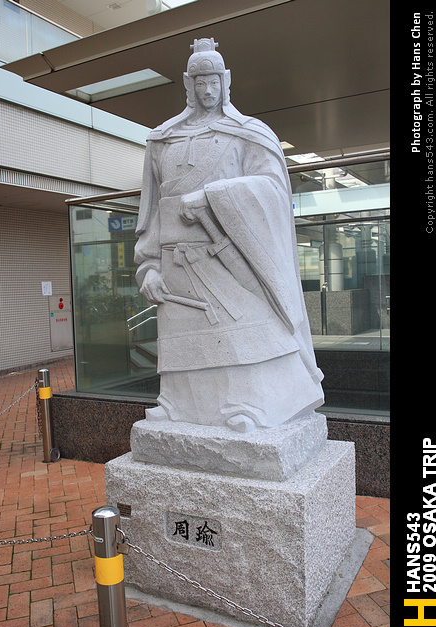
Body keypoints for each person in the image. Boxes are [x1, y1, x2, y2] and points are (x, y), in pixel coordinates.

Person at [134, 38, 324, 432]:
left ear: (227, 81)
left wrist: (213, 197)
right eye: (199, 82)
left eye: (214, 81)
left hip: (227, 258)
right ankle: (177, 404)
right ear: (187, 84)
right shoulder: (162, 140)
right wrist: (148, 267)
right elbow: (152, 214)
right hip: (175, 265)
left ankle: (249, 405)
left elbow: (272, 190)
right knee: (183, 338)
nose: (207, 90)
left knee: (241, 334)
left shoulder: (247, 133)